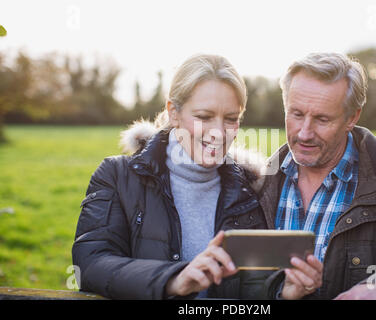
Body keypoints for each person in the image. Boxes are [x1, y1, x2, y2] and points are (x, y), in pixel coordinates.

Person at [72, 54, 269, 299]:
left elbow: (256, 290)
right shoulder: (116, 176)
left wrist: (284, 294)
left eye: (231, 119)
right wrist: (172, 279)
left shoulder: (250, 190)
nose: (219, 133)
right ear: (173, 112)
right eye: (204, 117)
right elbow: (89, 267)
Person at [259, 52, 376, 300]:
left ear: (352, 117)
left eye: (322, 119)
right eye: (296, 114)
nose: (304, 133)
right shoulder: (253, 186)